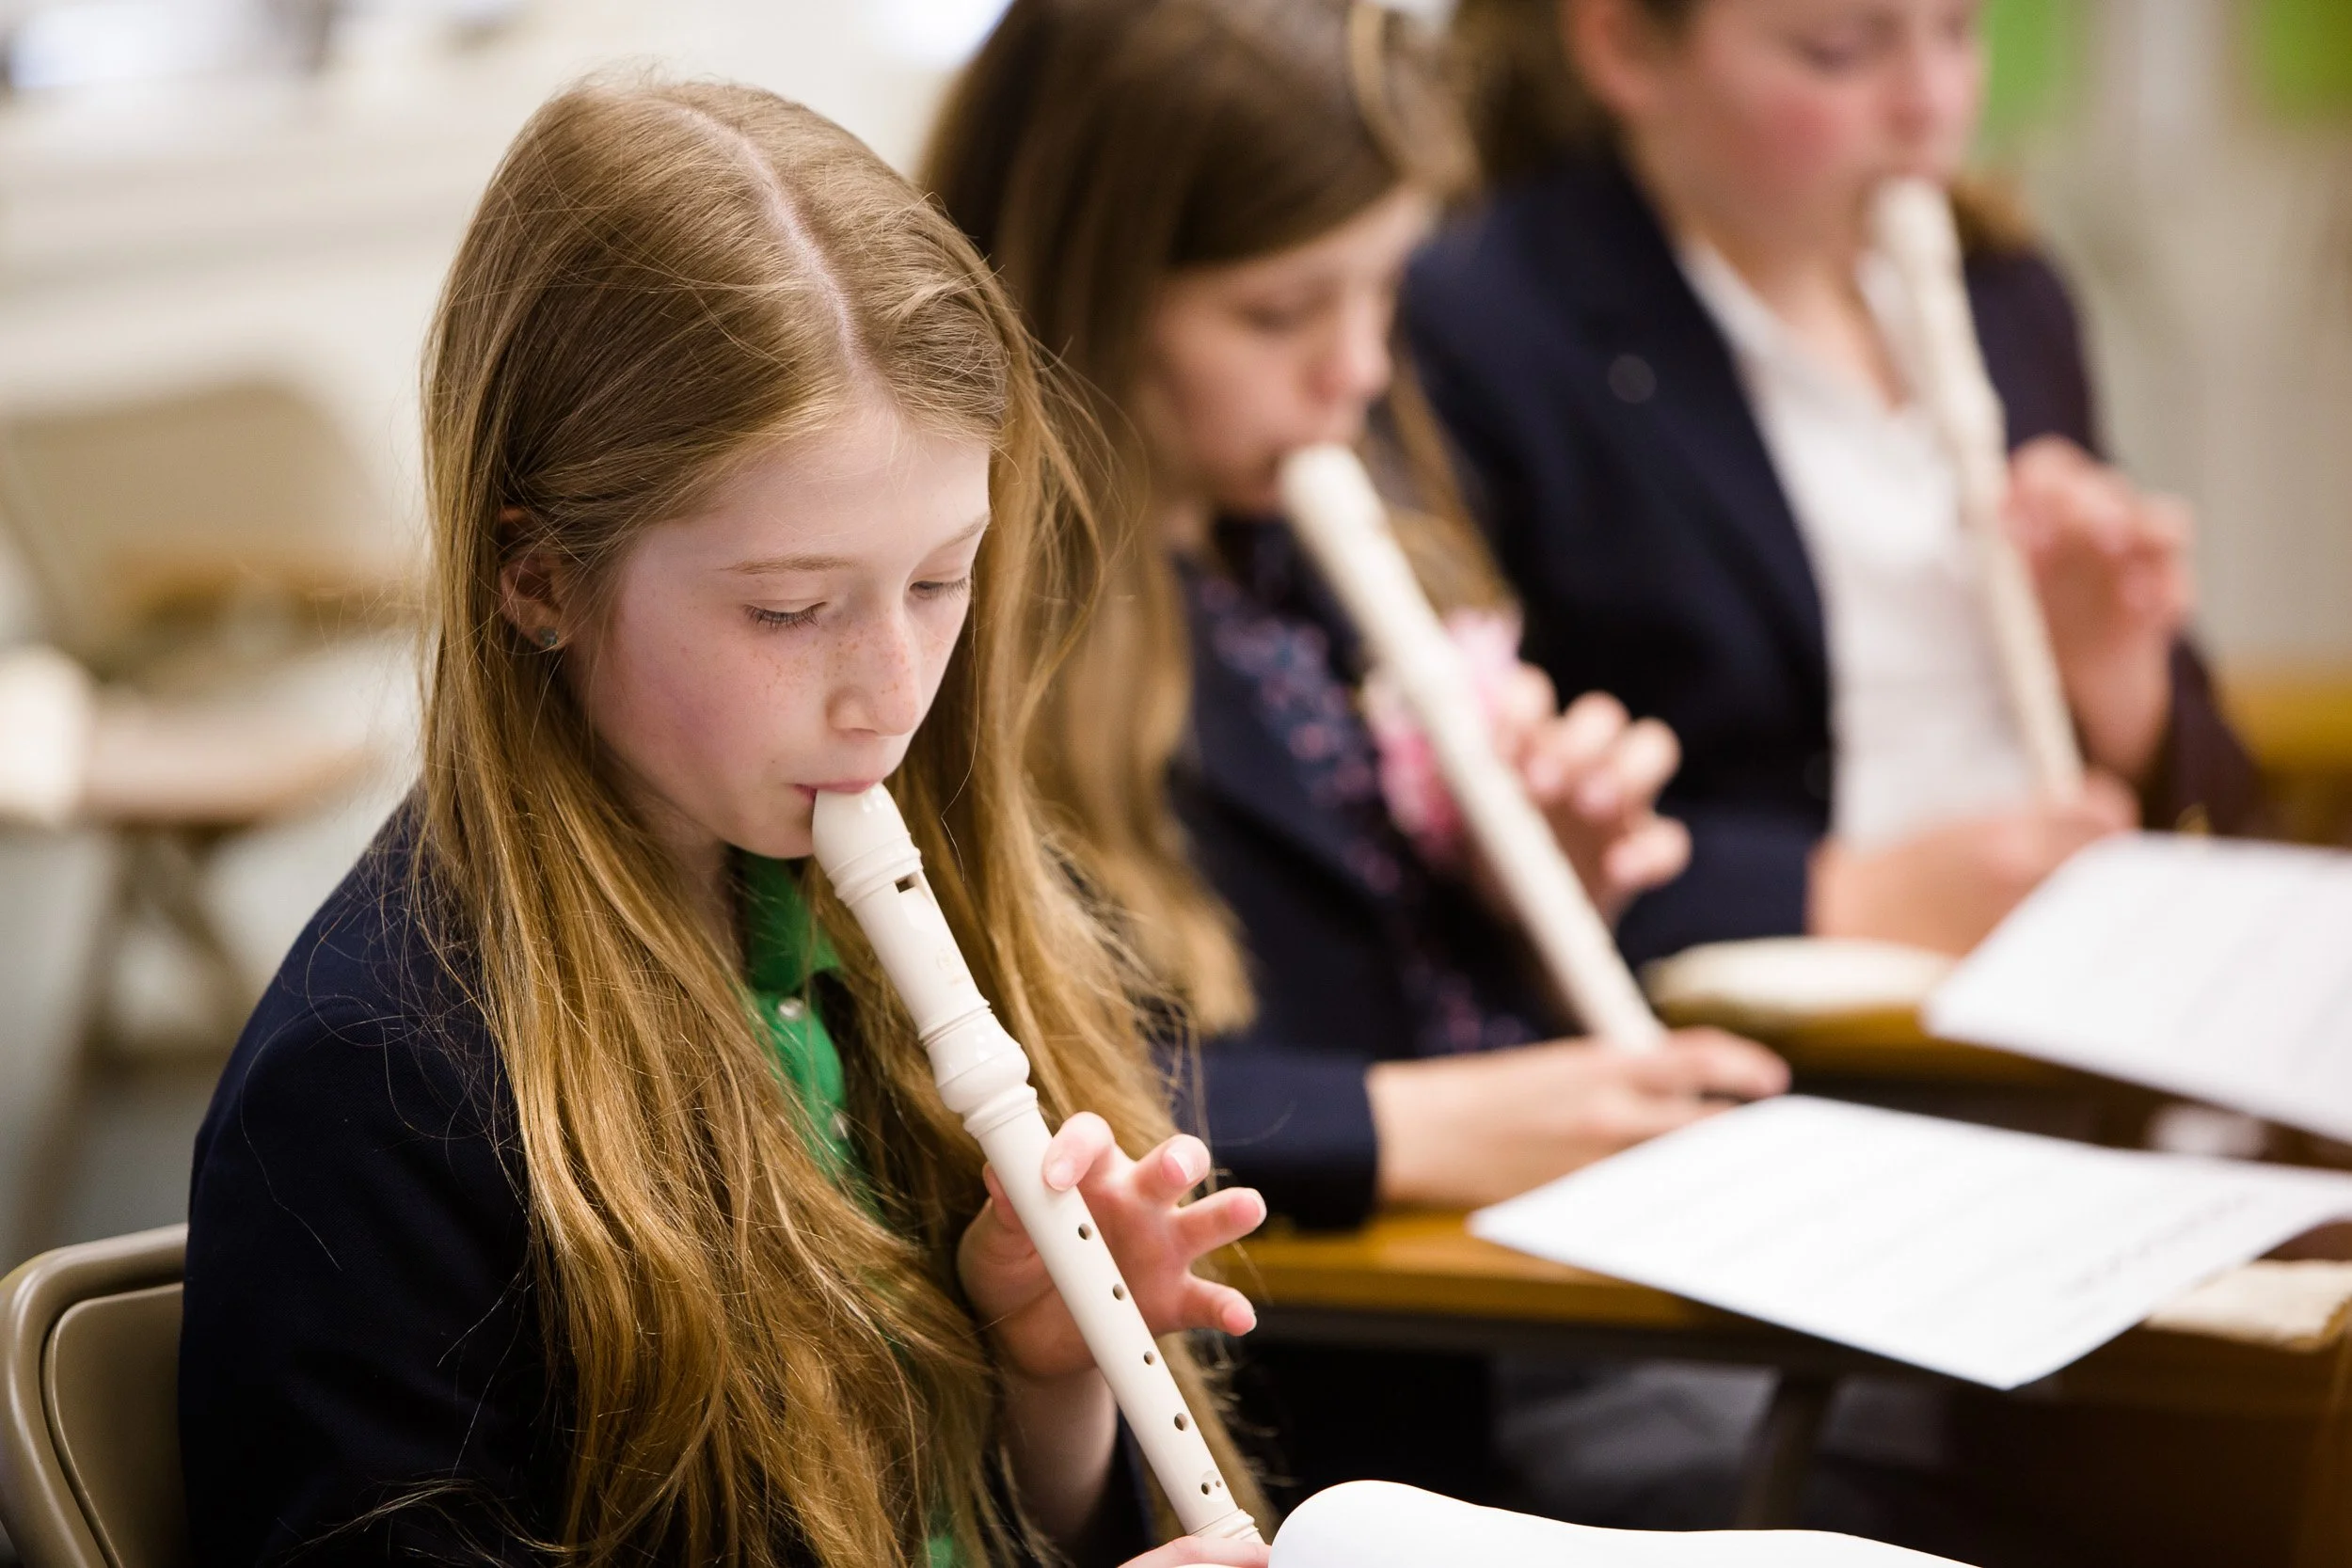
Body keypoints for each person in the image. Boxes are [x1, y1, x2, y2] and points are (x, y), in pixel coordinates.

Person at [177, 80, 1273, 1568]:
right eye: (790, 607)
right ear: (539, 577)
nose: (889, 689)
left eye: (943, 579)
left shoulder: (899, 919)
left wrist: (1052, 1374)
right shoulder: (376, 1092)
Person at [925, 0, 1788, 1510]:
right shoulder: (978, 630)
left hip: (1551, 1317)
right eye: (1279, 313)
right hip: (1330, 1406)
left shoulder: (1322, 545)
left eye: (1383, 289)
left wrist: (1541, 885)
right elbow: (1024, 1068)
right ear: (1093, 292)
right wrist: (1410, 1124)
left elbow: (1413, 967)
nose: (1356, 369)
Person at [1413, 0, 2265, 968]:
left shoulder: (2010, 294)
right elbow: (1457, 848)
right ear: (1622, 45)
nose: (1933, 104)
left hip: (2077, 992)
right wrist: (1844, 893)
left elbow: (2216, 798)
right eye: (1839, 51)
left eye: (1958, 31)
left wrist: (2119, 685)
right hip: (1786, 1049)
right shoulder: (1482, 327)